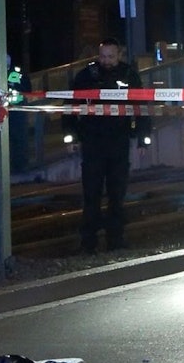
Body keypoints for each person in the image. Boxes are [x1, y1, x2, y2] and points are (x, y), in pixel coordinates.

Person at [62, 38, 151, 253]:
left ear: (119, 55)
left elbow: (141, 106)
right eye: (103, 56)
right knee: (91, 194)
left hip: (119, 141)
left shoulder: (129, 75)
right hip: (92, 141)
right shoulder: (86, 76)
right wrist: (71, 136)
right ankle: (88, 242)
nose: (106, 61)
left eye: (111, 56)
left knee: (117, 193)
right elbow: (70, 106)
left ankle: (115, 239)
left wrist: (142, 137)